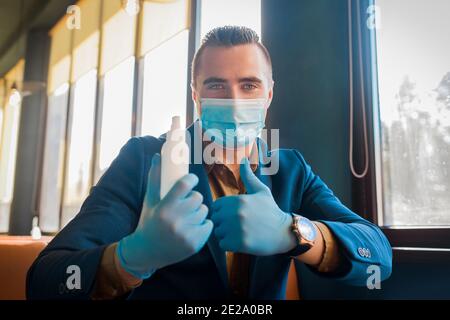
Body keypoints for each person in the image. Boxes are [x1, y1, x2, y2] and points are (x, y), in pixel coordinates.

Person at [27, 26, 392, 300]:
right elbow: (45, 280)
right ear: (195, 94)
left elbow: (377, 256)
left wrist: (293, 232)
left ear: (268, 94)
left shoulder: (292, 170)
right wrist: (133, 256)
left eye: (249, 85)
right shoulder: (144, 159)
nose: (233, 100)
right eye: (216, 85)